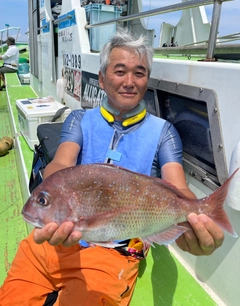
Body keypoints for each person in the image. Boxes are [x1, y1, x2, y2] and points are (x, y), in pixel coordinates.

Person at [0, 28, 224, 306]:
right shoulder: (79, 119)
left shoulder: (163, 131)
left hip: (113, 253)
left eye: (139, 73)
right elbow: (61, 162)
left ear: (147, 81)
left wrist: (198, 218)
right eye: (120, 71)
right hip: (54, 240)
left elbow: (178, 188)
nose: (130, 81)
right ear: (103, 80)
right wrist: (57, 201)